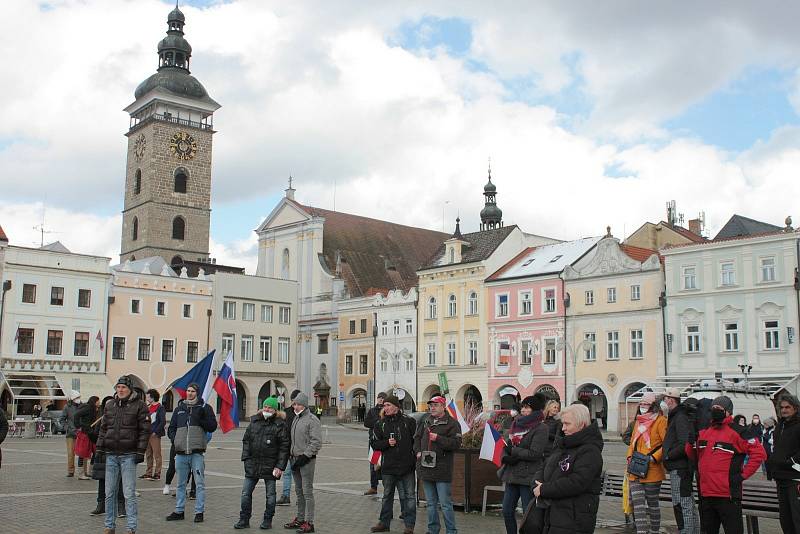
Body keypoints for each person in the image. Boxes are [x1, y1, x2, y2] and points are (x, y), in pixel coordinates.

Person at [686, 395, 766, 534]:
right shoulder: (704, 431)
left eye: (719, 408)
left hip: (727, 495)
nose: (715, 411)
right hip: (706, 494)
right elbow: (693, 456)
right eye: (713, 408)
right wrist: (690, 443)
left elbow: (759, 454)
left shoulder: (739, 431)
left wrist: (742, 475)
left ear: (728, 411)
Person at [530, 403, 603, 534]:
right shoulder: (564, 444)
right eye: (562, 424)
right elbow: (544, 466)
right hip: (553, 515)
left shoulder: (590, 450)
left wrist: (545, 489)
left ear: (581, 425)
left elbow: (577, 482)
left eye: (567, 424)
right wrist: (536, 483)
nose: (563, 428)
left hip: (574, 517)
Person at [96, 375, 150, 534]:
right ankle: (109, 526)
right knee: (109, 492)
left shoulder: (140, 406)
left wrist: (140, 451)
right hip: (111, 454)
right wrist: (99, 448)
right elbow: (103, 429)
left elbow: (144, 431)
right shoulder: (110, 405)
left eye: (123, 387)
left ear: (129, 389)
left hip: (129, 455)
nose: (120, 390)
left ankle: (131, 527)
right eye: (118, 387)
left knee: (129, 493)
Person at [235, 396, 289, 530]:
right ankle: (244, 519)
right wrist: (246, 459)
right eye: (265, 406)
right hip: (252, 464)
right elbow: (246, 441)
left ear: (275, 410)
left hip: (271, 466)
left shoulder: (280, 425)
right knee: (245, 493)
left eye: (270, 407)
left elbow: (284, 448)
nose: (267, 409)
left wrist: (279, 466)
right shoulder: (254, 422)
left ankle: (267, 520)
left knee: (270, 495)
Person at [166, 382, 217, 523]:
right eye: (188, 391)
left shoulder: (205, 408)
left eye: (193, 391)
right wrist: (175, 440)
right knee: (180, 484)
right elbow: (171, 428)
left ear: (197, 393)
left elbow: (212, 427)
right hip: (181, 452)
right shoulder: (179, 409)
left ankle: (199, 512)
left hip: (196, 452)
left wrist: (201, 418)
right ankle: (179, 510)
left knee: (199, 483)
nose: (189, 393)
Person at [500, 393, 549, 534]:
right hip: (512, 474)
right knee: (507, 510)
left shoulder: (541, 428)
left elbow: (535, 453)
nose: (523, 410)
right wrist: (505, 457)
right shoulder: (516, 424)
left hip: (528, 476)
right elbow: (507, 445)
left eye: (527, 408)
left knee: (528, 514)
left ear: (535, 410)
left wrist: (515, 452)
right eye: (523, 407)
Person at [369, 394, 417, 534]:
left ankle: (409, 525)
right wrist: (386, 443)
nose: (386, 407)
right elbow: (374, 443)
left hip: (406, 466)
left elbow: (416, 442)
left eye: (388, 405)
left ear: (396, 407)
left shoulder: (409, 422)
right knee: (387, 495)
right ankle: (384, 523)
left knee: (409, 497)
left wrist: (413, 459)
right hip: (388, 467)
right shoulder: (380, 424)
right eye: (384, 405)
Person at [413, 395, 461, 534]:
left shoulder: (452, 423)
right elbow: (417, 438)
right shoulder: (426, 421)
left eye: (435, 405)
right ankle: (433, 529)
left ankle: (451, 531)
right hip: (426, 467)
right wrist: (417, 451)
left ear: (443, 406)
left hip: (442, 469)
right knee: (431, 504)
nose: (432, 408)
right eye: (431, 405)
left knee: (445, 504)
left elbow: (456, 444)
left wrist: (438, 438)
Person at [626, 392, 667, 534]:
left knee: (652, 504)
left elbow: (666, 444)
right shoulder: (638, 421)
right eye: (641, 403)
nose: (642, 406)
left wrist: (653, 458)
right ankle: (642, 532)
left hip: (652, 470)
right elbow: (632, 443)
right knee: (638, 505)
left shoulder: (661, 421)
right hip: (635, 468)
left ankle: (654, 530)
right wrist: (629, 458)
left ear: (653, 406)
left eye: (646, 404)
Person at [662, 388, 700, 534]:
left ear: (671, 399)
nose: (664, 402)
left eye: (665, 398)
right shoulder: (677, 415)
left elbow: (685, 444)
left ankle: (686, 531)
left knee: (682, 503)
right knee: (687, 503)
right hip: (679, 467)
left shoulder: (680, 417)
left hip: (680, 468)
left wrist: (668, 456)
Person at [283, 392, 322, 533]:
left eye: (298, 404)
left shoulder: (312, 420)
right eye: (294, 404)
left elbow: (316, 442)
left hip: (306, 461)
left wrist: (304, 457)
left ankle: (309, 522)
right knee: (298, 492)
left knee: (307, 492)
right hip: (294, 459)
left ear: (304, 405)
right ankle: (300, 519)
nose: (296, 406)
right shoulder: (296, 419)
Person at [766, 394, 800, 534]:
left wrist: (791, 461)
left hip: (795, 479)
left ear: (796, 409)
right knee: (785, 520)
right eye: (782, 407)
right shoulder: (779, 427)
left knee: (797, 519)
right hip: (780, 478)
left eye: (788, 407)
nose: (784, 410)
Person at [90, 396, 125, 517]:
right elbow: (96, 437)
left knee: (120, 481)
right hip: (103, 453)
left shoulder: (121, 418)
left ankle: (121, 506)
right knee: (102, 480)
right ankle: (101, 505)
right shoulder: (101, 420)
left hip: (118, 453)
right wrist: (90, 433)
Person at [277, 389, 301, 506]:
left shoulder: (305, 414)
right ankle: (285, 495)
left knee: (299, 474)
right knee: (286, 473)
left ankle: (300, 497)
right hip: (287, 448)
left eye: (296, 401)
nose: (294, 404)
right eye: (293, 401)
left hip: (299, 450)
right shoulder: (285, 412)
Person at [363, 392, 387, 495]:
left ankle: (387, 487)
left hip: (384, 442)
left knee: (385, 464)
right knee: (373, 463)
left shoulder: (387, 410)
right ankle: (373, 487)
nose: (380, 400)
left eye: (383, 398)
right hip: (374, 441)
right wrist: (378, 421)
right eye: (379, 398)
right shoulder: (372, 411)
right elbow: (366, 423)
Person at [141, 388, 166, 481]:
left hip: (154, 435)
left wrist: (156, 432)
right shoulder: (149, 407)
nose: (147, 399)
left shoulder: (160, 407)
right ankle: (148, 472)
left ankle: (157, 473)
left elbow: (162, 421)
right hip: (147, 434)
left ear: (152, 397)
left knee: (157, 454)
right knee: (148, 454)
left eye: (148, 397)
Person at [74, 395, 100, 480]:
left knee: (95, 451)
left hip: (91, 432)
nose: (99, 403)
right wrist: (79, 426)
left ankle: (90, 471)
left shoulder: (95, 409)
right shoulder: (88, 408)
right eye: (98, 401)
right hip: (85, 432)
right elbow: (77, 415)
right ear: (94, 401)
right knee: (82, 453)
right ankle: (80, 474)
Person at [60, 390, 82, 477]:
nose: (78, 399)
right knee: (70, 453)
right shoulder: (67, 407)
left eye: (79, 397)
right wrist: (67, 428)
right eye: (77, 397)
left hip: (80, 432)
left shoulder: (82, 406)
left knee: (82, 453)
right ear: (73, 398)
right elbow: (62, 419)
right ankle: (71, 471)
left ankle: (83, 471)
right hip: (70, 434)